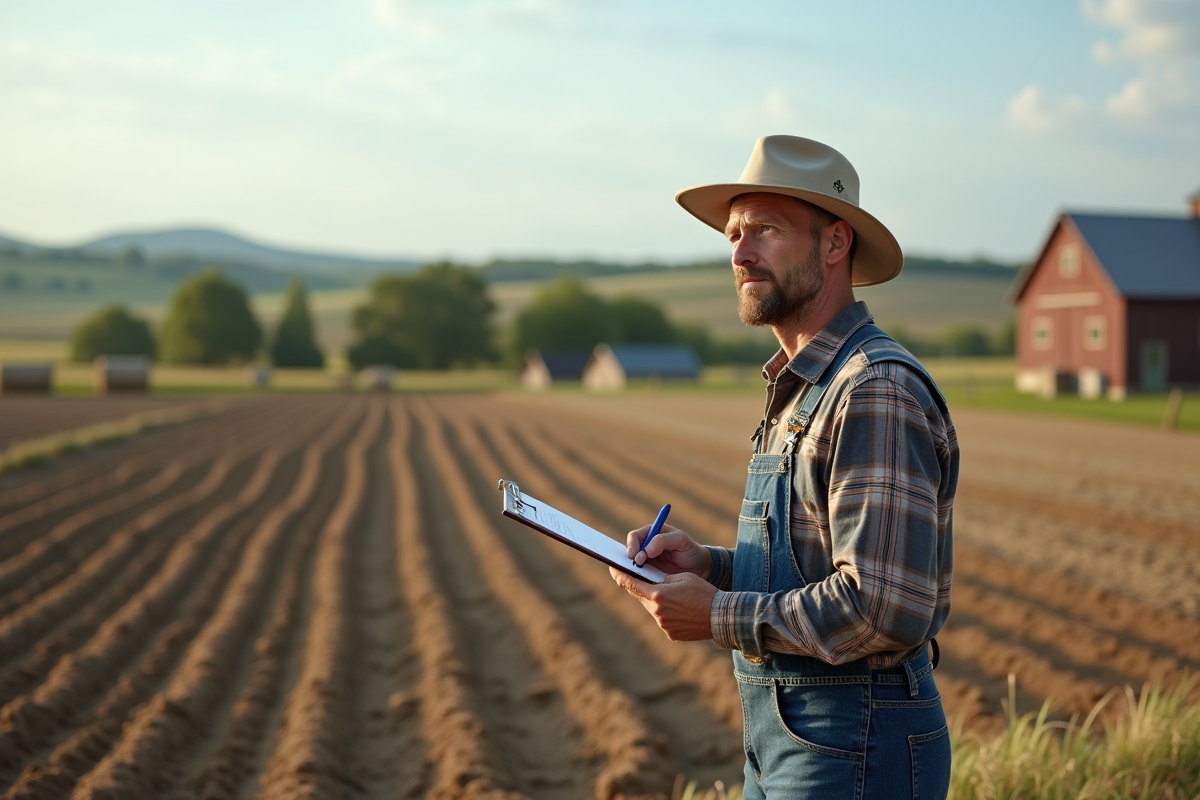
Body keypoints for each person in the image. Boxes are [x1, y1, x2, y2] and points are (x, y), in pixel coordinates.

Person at [609, 135, 958, 800]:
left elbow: (882, 607)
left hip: (855, 741)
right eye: (734, 234)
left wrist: (718, 615)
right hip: (794, 739)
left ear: (835, 244)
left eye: (765, 229)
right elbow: (818, 568)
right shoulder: (807, 384)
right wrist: (709, 567)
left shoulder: (872, 388)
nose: (740, 252)